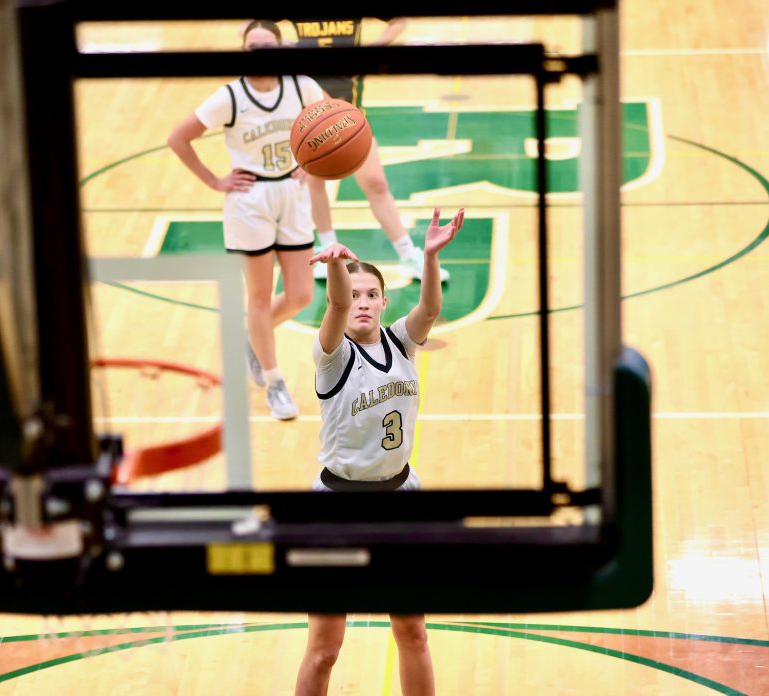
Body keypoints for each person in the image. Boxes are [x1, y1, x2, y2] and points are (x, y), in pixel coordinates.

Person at [295, 206, 464, 696]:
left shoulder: (403, 344)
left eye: (372, 294)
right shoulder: (332, 356)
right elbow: (335, 308)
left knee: (412, 631)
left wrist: (429, 256)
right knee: (325, 647)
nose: (362, 302)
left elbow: (429, 309)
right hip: (336, 505)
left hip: (400, 499)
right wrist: (334, 267)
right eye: (355, 295)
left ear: (385, 302)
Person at [167, 20, 324, 420]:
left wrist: (313, 159)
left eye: (266, 46)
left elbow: (330, 123)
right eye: (252, 47)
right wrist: (215, 181)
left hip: (291, 193)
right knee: (258, 296)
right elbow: (178, 138)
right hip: (249, 201)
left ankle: (254, 336)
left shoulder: (301, 86)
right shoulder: (230, 97)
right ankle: (275, 383)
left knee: (302, 295)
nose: (259, 53)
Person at [289, 17, 451, 283]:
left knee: (376, 184)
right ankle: (328, 252)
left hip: (349, 119)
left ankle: (409, 256)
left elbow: (399, 22)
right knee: (315, 186)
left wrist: (369, 52)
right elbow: (250, 29)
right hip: (313, 120)